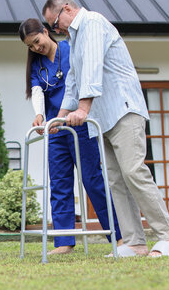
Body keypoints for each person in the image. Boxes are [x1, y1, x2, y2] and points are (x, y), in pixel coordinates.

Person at [42, 0, 169, 257]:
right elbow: (73, 82)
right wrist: (59, 118)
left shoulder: (93, 23)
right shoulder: (73, 40)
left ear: (66, 9)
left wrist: (83, 108)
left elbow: (93, 69)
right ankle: (135, 242)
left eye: (54, 24)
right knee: (116, 181)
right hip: (104, 120)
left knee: (133, 171)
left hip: (124, 109)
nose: (55, 30)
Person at [19, 18, 123, 255]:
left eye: (37, 41)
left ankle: (118, 236)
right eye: (31, 46)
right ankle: (63, 241)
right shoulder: (37, 64)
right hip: (55, 128)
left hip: (79, 124)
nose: (36, 48)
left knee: (92, 180)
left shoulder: (69, 49)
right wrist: (39, 114)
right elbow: (36, 90)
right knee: (59, 184)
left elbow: (79, 84)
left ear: (46, 32)